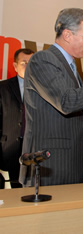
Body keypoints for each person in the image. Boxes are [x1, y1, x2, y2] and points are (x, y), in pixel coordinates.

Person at [19, 8, 83, 187]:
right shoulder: (42, 59)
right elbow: (67, 101)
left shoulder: (70, 65)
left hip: (71, 161)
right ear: (67, 35)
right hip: (50, 164)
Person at [0, 48, 34, 188]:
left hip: (34, 150)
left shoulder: (43, 89)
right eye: (23, 62)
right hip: (10, 150)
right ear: (15, 66)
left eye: (31, 62)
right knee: (14, 194)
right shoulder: (3, 87)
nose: (27, 66)